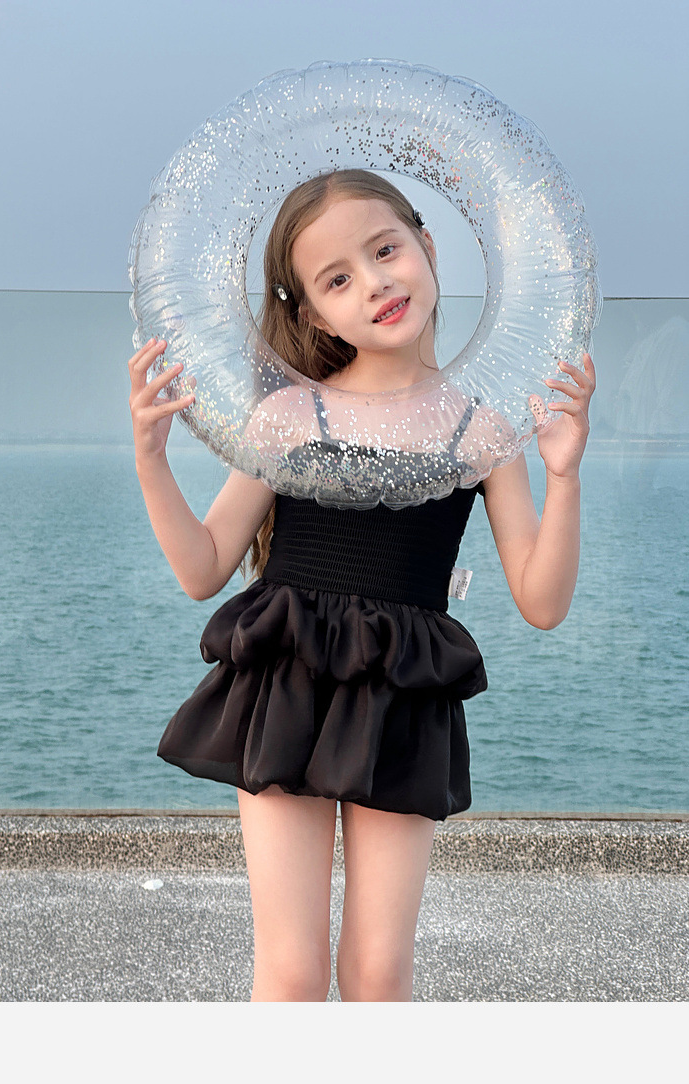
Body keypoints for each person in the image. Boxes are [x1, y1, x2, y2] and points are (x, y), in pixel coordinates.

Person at [128, 169, 596, 1002]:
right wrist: (150, 459)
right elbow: (203, 567)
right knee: (292, 970)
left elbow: (542, 601)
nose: (375, 283)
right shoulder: (288, 417)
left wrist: (564, 476)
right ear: (313, 314)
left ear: (428, 246)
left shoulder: (481, 431)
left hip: (402, 692)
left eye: (385, 251)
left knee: (380, 972)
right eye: (337, 279)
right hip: (286, 682)